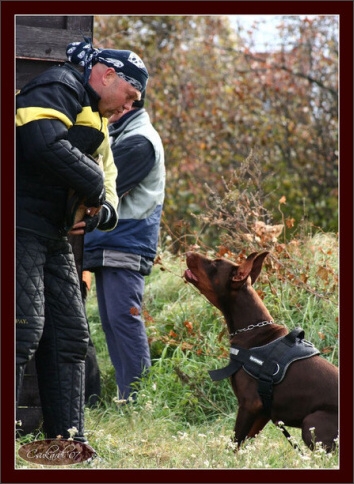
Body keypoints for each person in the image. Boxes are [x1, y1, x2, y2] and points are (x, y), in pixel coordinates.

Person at [16, 39, 149, 441]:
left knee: (71, 337)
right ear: (108, 75)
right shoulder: (59, 84)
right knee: (22, 330)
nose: (128, 107)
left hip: (51, 233)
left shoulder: (97, 117)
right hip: (18, 223)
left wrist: (100, 209)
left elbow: (105, 175)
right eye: (129, 96)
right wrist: (91, 188)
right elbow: (41, 141)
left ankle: (68, 443)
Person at [83, 89, 165, 401]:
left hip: (125, 243)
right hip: (111, 242)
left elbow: (106, 191)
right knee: (113, 322)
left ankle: (139, 399)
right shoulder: (125, 133)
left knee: (124, 321)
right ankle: (125, 396)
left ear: (126, 108)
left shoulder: (139, 141)